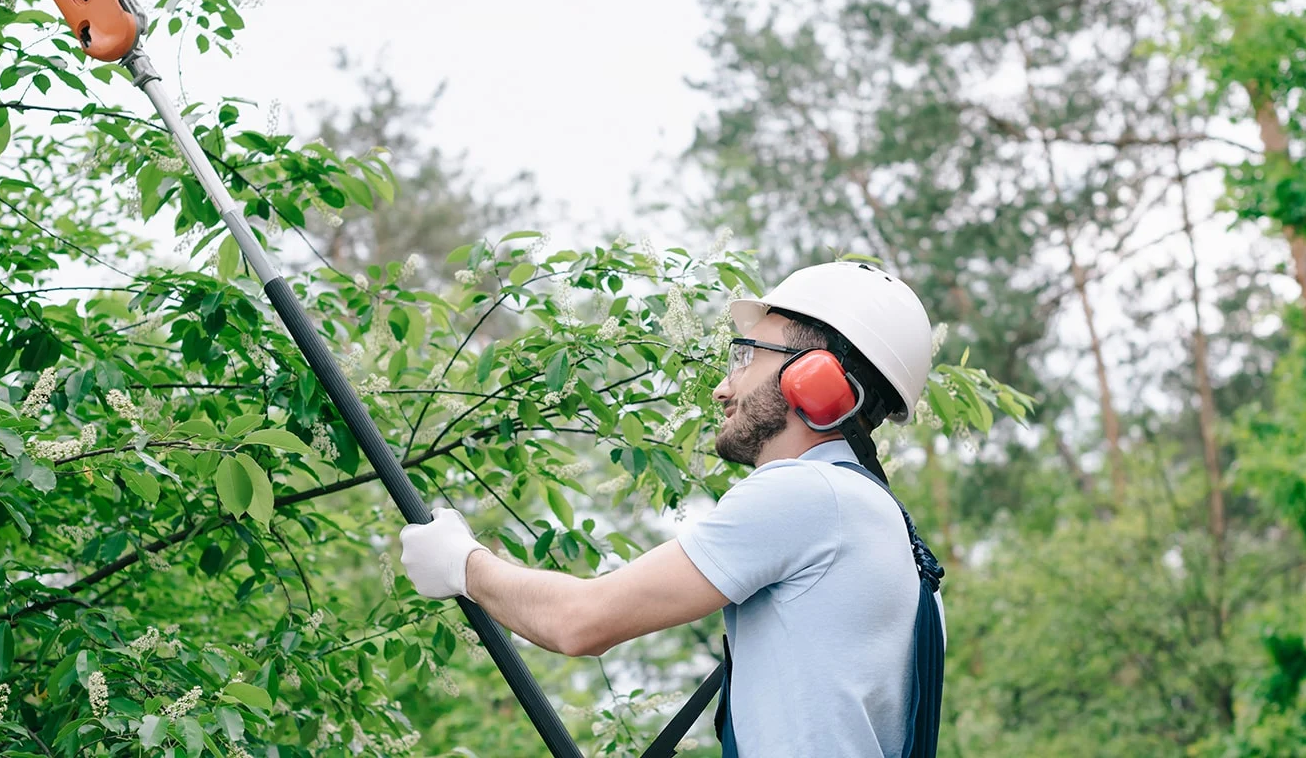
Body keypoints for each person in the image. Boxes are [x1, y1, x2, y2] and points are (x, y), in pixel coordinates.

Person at [399, 262, 945, 757]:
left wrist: (462, 564)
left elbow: (579, 622)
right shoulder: (895, 539)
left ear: (815, 377)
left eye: (747, 356)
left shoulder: (808, 495)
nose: (722, 389)